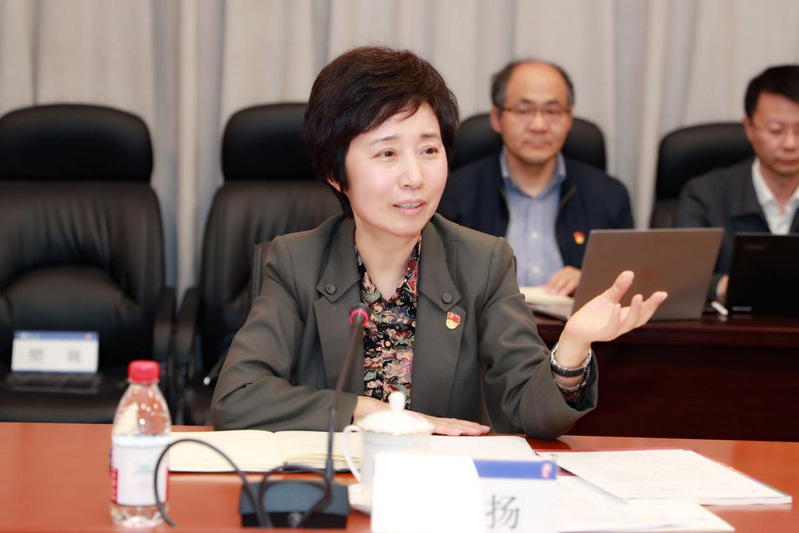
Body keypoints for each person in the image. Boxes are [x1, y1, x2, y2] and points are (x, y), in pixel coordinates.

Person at [211, 46, 666, 439]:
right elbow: (238, 398)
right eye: (387, 153)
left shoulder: (482, 262)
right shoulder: (296, 261)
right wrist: (363, 410)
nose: (415, 177)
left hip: (445, 489)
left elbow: (534, 412)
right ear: (336, 173)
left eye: (429, 150)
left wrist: (573, 345)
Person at [438, 60, 633, 295]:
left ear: (569, 118)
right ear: (497, 118)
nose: (539, 125)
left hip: (577, 318)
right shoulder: (451, 194)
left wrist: (591, 282)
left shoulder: (609, 196)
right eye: (524, 111)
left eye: (552, 111)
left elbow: (629, 283)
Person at [676, 65, 799, 301]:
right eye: (776, 131)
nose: (790, 144)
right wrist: (724, 286)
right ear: (749, 128)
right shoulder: (704, 195)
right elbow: (679, 275)